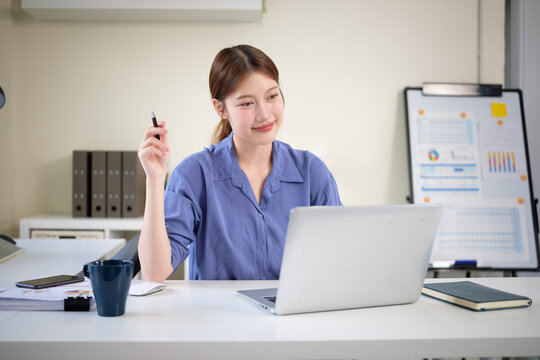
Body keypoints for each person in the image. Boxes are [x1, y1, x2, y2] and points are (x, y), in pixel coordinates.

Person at [138, 44, 341, 282]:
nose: (264, 113)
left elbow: (337, 259)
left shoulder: (312, 172)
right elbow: (154, 272)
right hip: (216, 317)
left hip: (292, 315)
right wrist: (154, 180)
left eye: (272, 96)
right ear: (220, 109)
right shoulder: (194, 175)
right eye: (247, 103)